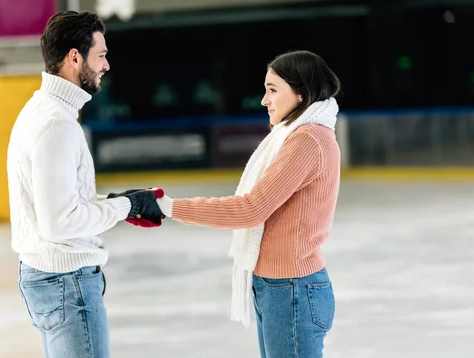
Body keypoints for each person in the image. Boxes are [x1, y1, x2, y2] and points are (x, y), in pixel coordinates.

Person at [119, 50, 341, 358]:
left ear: (301, 94)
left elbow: (251, 209)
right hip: (281, 286)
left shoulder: (307, 140)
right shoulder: (295, 136)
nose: (265, 100)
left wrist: (168, 206)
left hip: (291, 289)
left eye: (273, 90)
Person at [6, 11, 164, 358]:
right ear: (75, 58)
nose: (107, 65)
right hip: (66, 281)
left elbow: (64, 201)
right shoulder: (55, 124)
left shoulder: (41, 111)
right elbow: (59, 222)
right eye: (101, 55)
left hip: (53, 279)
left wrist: (116, 201)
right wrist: (129, 206)